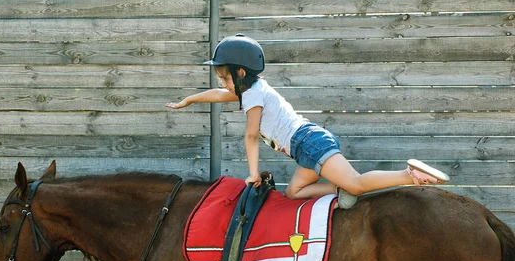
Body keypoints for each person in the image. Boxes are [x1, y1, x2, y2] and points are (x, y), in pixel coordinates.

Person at [166, 34, 450, 209]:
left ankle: (409, 175)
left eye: (225, 78)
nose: (223, 85)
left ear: (240, 73)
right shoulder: (252, 90)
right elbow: (219, 95)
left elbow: (251, 137)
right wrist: (190, 100)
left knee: (357, 184)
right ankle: (338, 189)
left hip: (309, 143)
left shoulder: (252, 96)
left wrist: (253, 173)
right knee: (292, 193)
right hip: (305, 148)